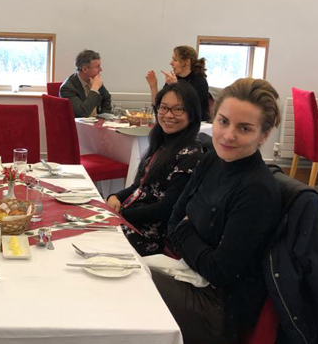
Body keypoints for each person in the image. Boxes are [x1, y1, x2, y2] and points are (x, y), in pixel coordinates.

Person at [153, 78, 282, 344]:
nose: (228, 135)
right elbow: (174, 219)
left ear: (264, 135)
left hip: (216, 307)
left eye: (244, 128)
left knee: (126, 285)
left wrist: (186, 230)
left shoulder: (256, 190)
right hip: (188, 274)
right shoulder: (213, 157)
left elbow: (219, 271)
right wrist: (189, 234)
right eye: (223, 122)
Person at [106, 82, 203, 256]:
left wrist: (123, 214)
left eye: (178, 109)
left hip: (153, 235)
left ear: (192, 114)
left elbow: (167, 208)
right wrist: (115, 197)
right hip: (135, 221)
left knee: (95, 238)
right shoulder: (163, 143)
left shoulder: (190, 154)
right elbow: (140, 186)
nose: (168, 115)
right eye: (164, 108)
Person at [146, 45, 211, 121]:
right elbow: (159, 107)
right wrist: (153, 86)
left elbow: (188, 109)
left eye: (175, 60)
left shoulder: (200, 81)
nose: (171, 63)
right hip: (175, 122)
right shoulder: (174, 79)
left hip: (197, 125)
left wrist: (176, 85)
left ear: (187, 62)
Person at [60, 49, 112, 117]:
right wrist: (94, 89)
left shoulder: (94, 80)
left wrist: (104, 118)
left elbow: (106, 98)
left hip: (96, 123)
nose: (101, 70)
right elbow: (82, 113)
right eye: (97, 67)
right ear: (85, 69)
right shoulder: (67, 88)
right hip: (78, 126)